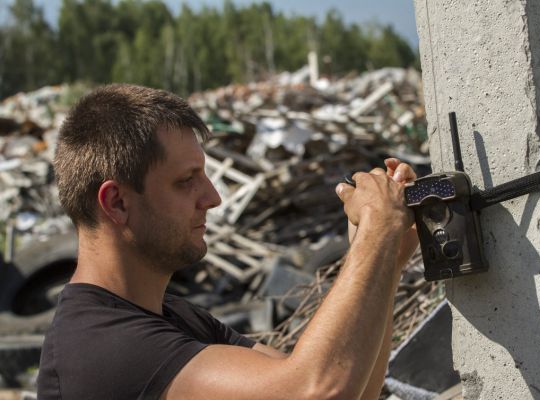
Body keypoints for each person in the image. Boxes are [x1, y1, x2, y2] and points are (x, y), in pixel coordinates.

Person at [37, 83, 419, 400]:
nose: (213, 197)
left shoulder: (176, 319)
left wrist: (386, 261)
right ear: (117, 202)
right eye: (186, 181)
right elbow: (314, 392)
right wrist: (375, 235)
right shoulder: (102, 347)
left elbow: (347, 388)